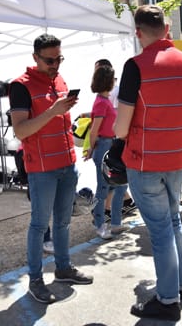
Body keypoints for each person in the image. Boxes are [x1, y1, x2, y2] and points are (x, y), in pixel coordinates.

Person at [113, 5, 182, 321]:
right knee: (174, 221)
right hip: (178, 157)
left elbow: (121, 128)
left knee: (161, 230)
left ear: (138, 32)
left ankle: (167, 300)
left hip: (145, 161)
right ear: (167, 29)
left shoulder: (136, 66)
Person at [9, 33, 93, 304]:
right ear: (35, 57)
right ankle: (36, 279)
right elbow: (21, 131)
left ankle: (63, 268)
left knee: (64, 222)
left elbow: (60, 121)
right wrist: (53, 111)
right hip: (42, 169)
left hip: (66, 164)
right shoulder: (20, 86)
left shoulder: (59, 80)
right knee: (39, 225)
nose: (55, 65)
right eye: (49, 60)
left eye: (59, 59)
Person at [83, 65, 129, 238]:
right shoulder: (102, 103)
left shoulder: (104, 100)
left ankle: (115, 222)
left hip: (110, 144)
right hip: (104, 145)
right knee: (104, 188)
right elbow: (95, 130)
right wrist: (91, 148)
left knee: (120, 184)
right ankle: (100, 224)